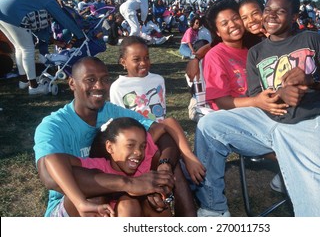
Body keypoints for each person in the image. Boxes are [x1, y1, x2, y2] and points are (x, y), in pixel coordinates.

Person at [195, 0, 320, 217]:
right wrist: (279, 94)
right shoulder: (256, 52)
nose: (272, 15)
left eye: (281, 11)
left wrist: (311, 79)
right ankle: (213, 209)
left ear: (294, 16)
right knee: (209, 126)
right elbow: (259, 94)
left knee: (319, 202)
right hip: (267, 120)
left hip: (311, 120)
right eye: (268, 9)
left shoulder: (311, 39)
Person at [34, 56, 198, 217]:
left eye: (104, 80)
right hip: (72, 204)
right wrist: (128, 184)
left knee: (165, 164)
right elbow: (49, 178)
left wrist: (164, 165)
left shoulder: (112, 111)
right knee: (96, 196)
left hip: (118, 192)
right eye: (90, 80)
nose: (99, 86)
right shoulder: (53, 126)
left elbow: (161, 131)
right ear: (72, 83)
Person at [110, 36, 205, 183]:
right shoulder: (118, 87)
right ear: (123, 62)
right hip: (138, 139)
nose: (143, 63)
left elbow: (161, 110)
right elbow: (118, 122)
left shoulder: (158, 80)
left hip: (161, 134)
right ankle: (188, 157)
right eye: (136, 59)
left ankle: (174, 175)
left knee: (168, 146)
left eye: (146, 58)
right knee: (169, 124)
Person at [45, 117, 173, 217]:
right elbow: (52, 159)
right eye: (130, 145)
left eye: (142, 146)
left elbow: (166, 126)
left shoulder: (142, 168)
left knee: (133, 203)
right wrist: (80, 203)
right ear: (110, 147)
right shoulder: (98, 166)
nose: (139, 152)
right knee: (96, 197)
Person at [0, 0, 84, 95]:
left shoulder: (37, 1)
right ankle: (34, 86)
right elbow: (63, 18)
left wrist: (54, 41)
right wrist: (79, 35)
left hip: (2, 9)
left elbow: (37, 30)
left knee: (19, 48)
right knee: (27, 49)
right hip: (12, 13)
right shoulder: (50, 2)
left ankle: (23, 81)